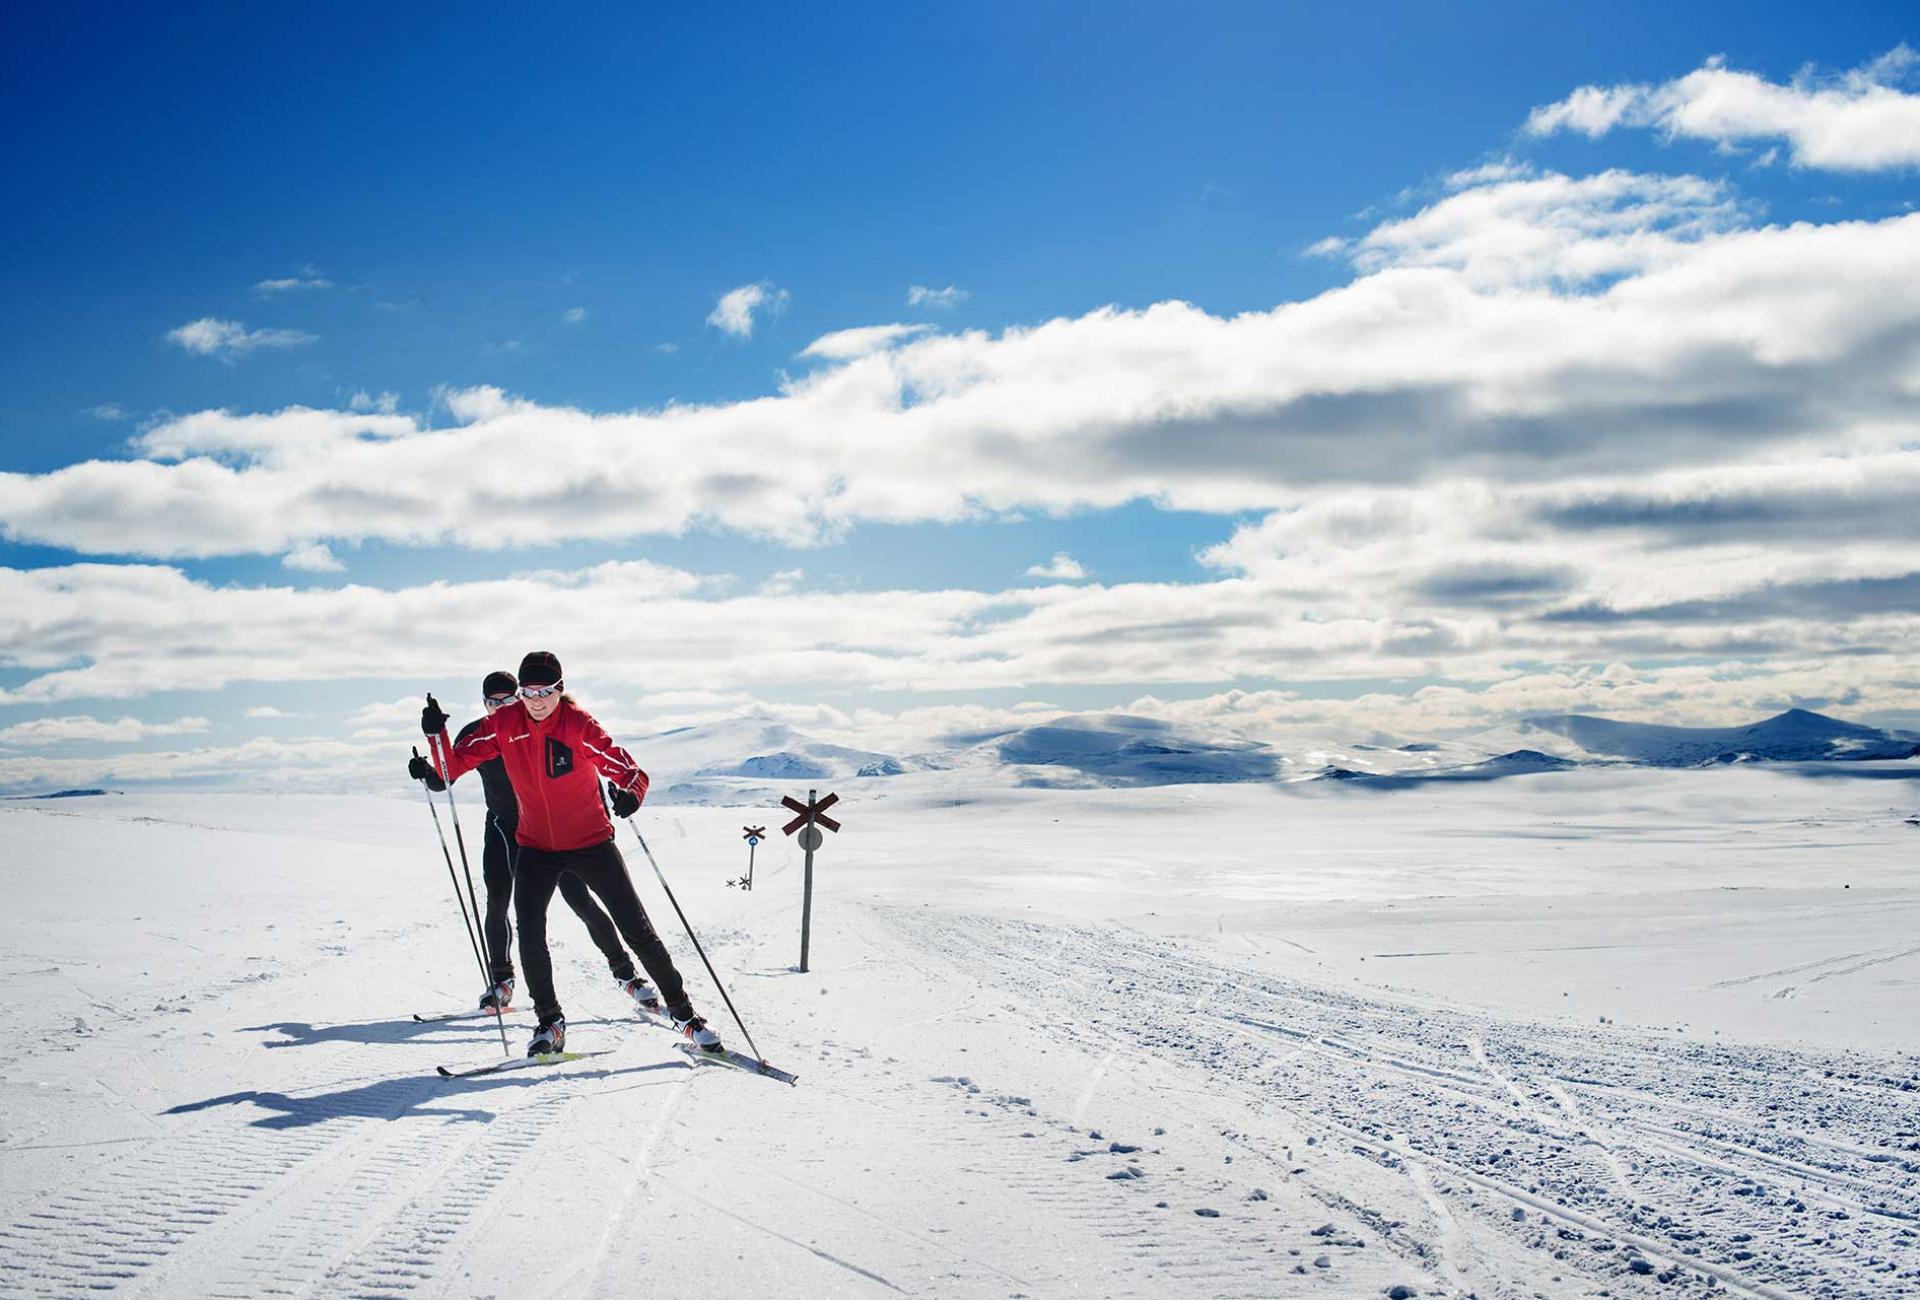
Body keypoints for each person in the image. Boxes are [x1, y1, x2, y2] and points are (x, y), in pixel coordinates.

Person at [406, 650, 722, 1059]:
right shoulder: (502, 725)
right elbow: (450, 770)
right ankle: (549, 1022)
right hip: (535, 846)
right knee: (531, 932)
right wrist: (436, 735)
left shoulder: (579, 726)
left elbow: (628, 770)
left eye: (545, 691)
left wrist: (631, 795)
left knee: (636, 928)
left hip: (591, 842)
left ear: (560, 690)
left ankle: (683, 1014)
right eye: (528, 692)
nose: (536, 700)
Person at [418, 670, 670, 1019]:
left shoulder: (538, 725)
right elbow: (444, 777)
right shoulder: (479, 734)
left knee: (580, 900)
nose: (498, 708)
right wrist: (429, 758)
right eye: (491, 702)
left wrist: (605, 821)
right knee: (497, 901)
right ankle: (502, 980)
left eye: (507, 701)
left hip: (550, 833)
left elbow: (582, 770)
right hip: (505, 827)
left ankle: (625, 973)